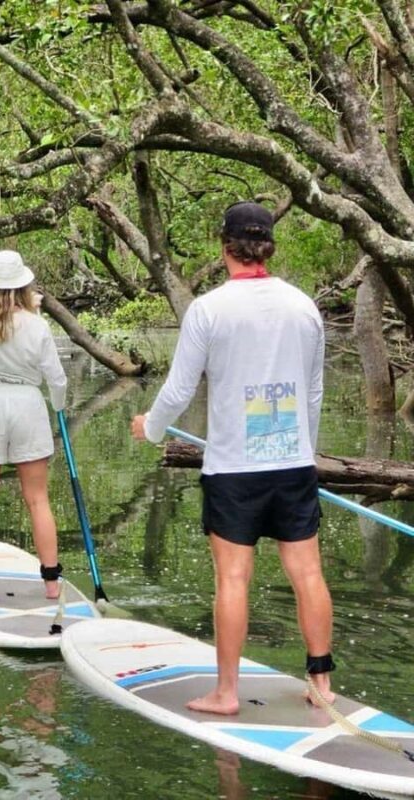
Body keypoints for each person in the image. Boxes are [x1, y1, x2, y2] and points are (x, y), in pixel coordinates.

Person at [130, 201, 335, 715]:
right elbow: (313, 394)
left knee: (233, 579)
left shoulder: (208, 309)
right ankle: (323, 686)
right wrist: (303, 455)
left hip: (234, 469)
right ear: (269, 246)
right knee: (307, 573)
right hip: (292, 464)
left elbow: (178, 389)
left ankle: (226, 693)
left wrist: (151, 428)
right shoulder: (303, 306)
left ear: (224, 247)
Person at [0, 250, 67, 601]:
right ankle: (51, 584)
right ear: (25, 286)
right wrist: (60, 406)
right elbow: (57, 379)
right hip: (27, 404)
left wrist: (24, 308)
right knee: (37, 500)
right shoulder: (38, 324)